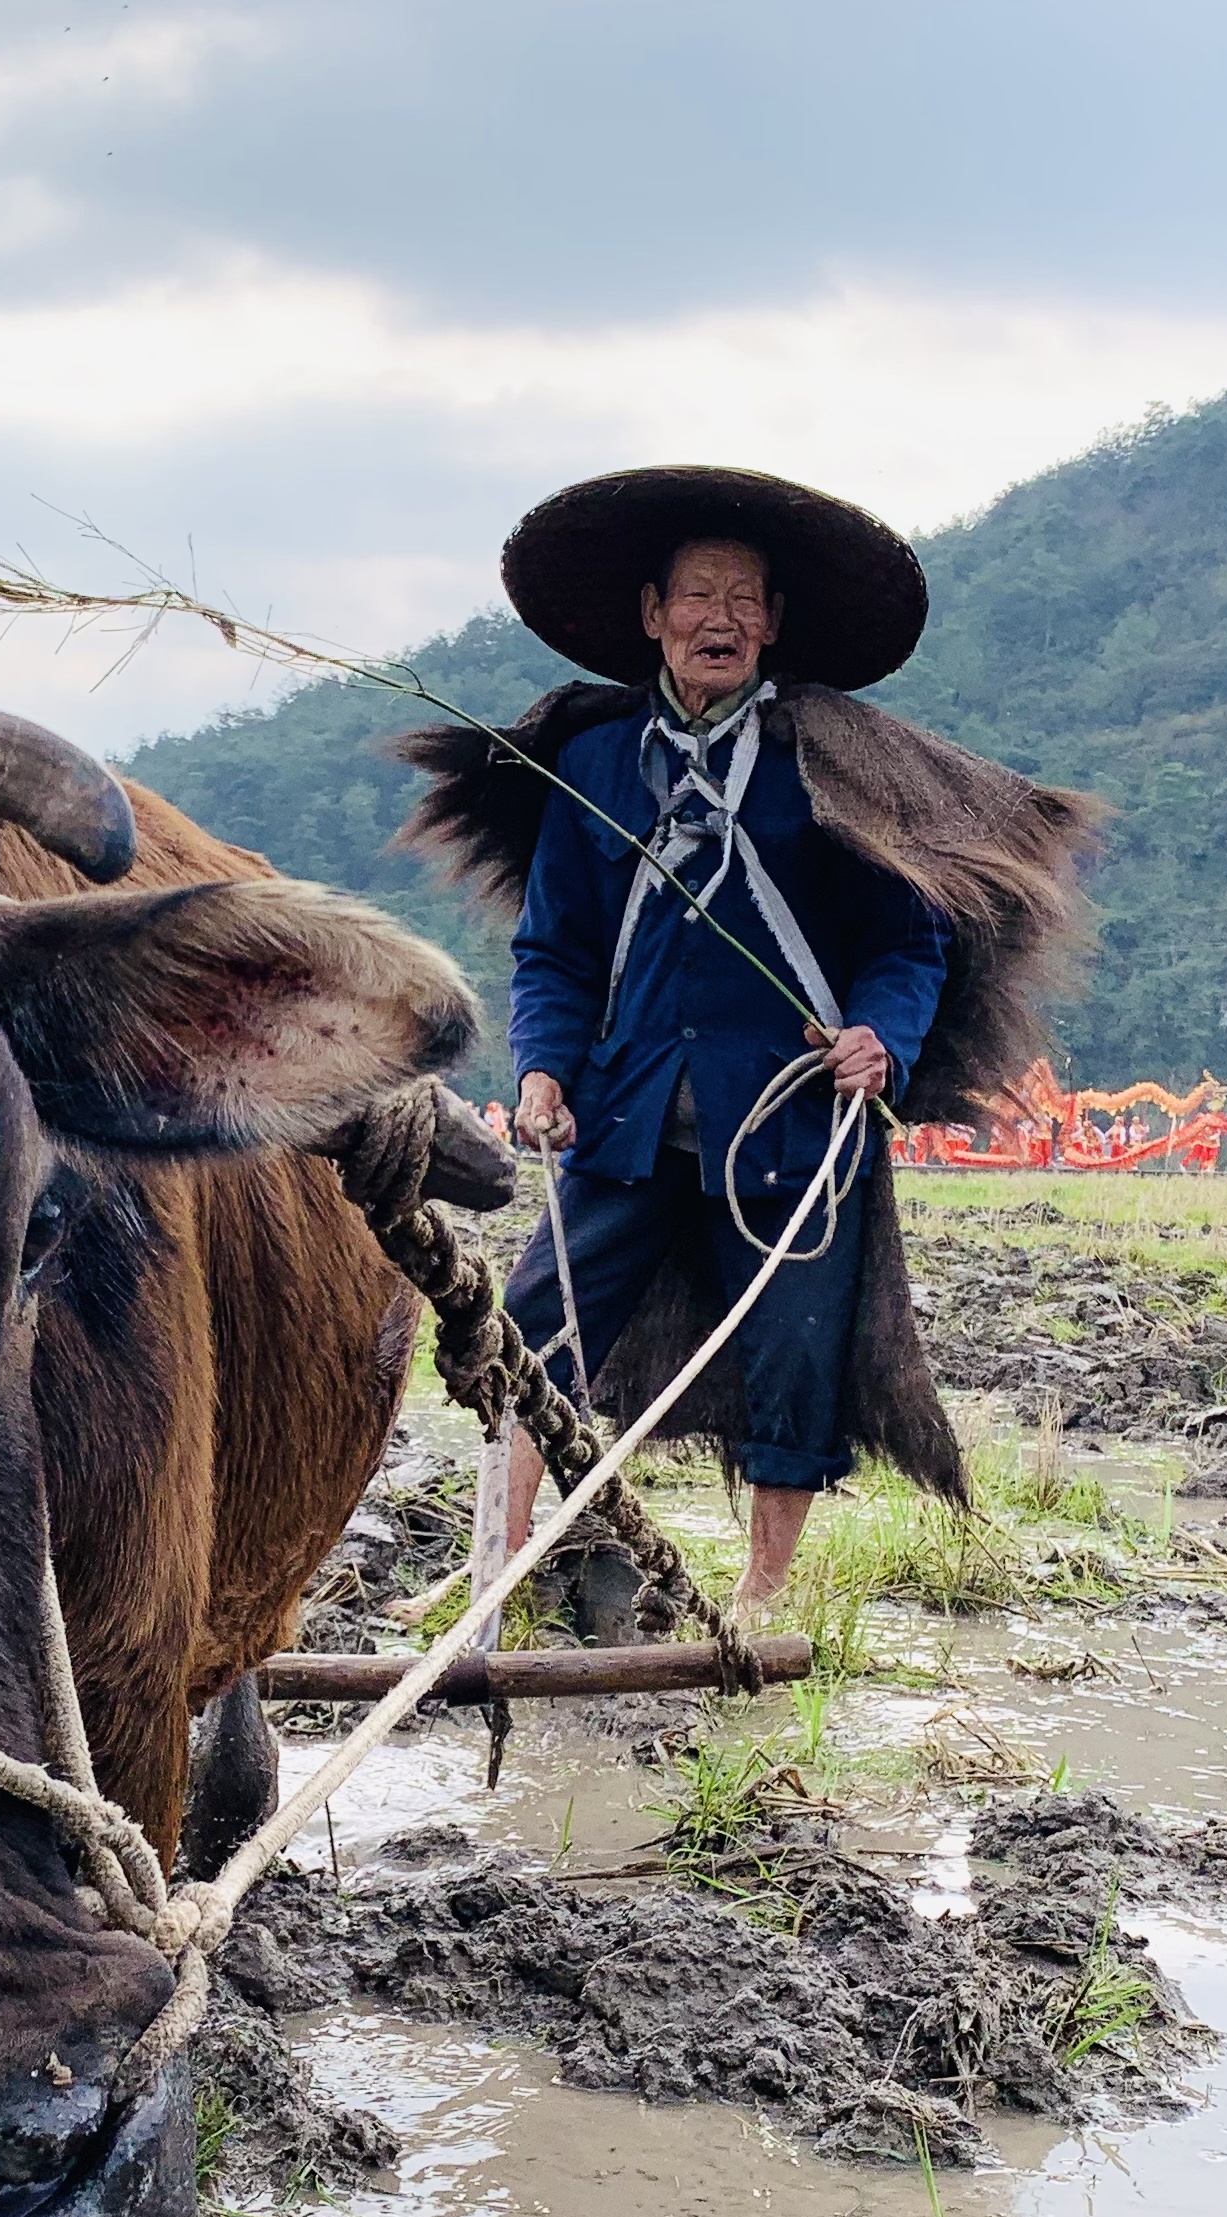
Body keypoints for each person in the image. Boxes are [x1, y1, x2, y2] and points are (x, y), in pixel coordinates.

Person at [399, 466, 1102, 1615]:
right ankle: (498, 1566)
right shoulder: (591, 767)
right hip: (624, 1113)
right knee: (535, 1329)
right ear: (651, 616)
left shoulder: (833, 767)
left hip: (789, 1115)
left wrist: (881, 1035)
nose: (717, 617)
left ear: (773, 624)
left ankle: (762, 1599)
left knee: (796, 1358)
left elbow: (905, 939)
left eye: (742, 597)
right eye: (694, 594)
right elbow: (557, 951)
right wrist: (539, 1067)